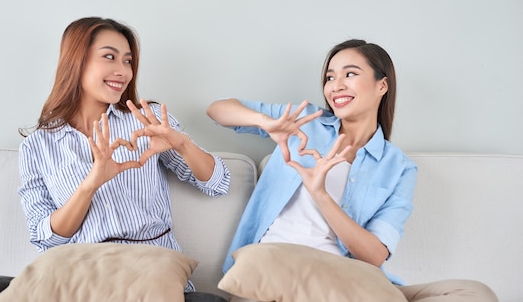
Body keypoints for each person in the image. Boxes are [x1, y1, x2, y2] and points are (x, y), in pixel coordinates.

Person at [0, 17, 231, 302]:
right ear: (77, 62)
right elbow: (46, 237)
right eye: (110, 57)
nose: (123, 71)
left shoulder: (146, 121)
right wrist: (91, 184)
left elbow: (218, 184)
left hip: (146, 272)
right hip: (77, 273)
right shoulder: (38, 146)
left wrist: (182, 144)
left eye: (128, 61)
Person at [206, 39, 498, 302]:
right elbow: (218, 110)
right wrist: (264, 121)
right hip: (274, 266)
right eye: (330, 77)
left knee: (474, 293)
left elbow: (373, 255)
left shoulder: (397, 167)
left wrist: (320, 195)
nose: (336, 85)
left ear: (382, 85)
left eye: (350, 74)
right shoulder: (306, 120)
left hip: (345, 278)